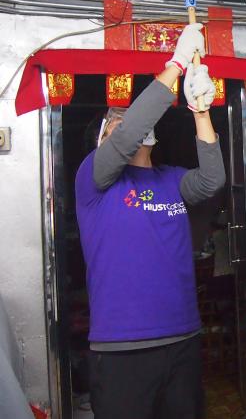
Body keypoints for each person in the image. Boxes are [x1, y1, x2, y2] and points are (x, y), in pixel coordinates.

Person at [75, 23, 225, 419]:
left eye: (134, 118)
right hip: (123, 348)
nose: (130, 124)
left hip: (182, 338)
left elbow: (212, 179)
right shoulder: (94, 179)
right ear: (101, 142)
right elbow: (126, 139)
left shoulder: (171, 179)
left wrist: (200, 110)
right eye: (116, 121)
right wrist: (176, 65)